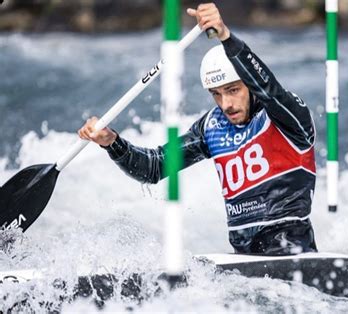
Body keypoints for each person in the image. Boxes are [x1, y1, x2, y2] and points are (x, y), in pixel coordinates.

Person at [78, 3, 317, 256]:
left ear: (249, 84)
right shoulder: (211, 127)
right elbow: (154, 167)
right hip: (244, 258)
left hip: (291, 251)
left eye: (233, 90)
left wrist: (225, 37)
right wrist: (111, 142)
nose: (226, 104)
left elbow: (269, 89)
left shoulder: (287, 117)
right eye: (216, 94)